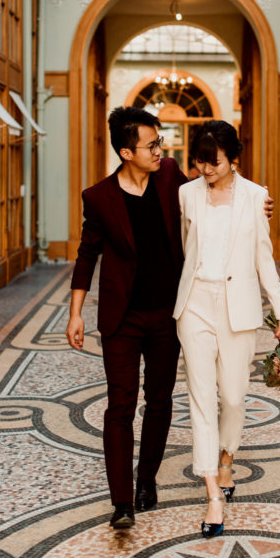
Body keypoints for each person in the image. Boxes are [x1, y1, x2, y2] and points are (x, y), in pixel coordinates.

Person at [66, 107, 186, 530]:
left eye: (160, 142)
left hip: (168, 317)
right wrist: (76, 312)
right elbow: (87, 254)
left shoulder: (171, 175)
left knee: (160, 402)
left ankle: (146, 479)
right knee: (120, 406)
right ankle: (121, 503)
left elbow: (208, 203)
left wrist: (252, 206)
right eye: (151, 145)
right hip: (122, 318)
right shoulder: (99, 197)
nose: (160, 150)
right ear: (125, 151)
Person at [173, 120, 280, 538]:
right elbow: (184, 248)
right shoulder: (186, 194)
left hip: (238, 307)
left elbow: (264, 257)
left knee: (234, 396)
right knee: (202, 397)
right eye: (200, 162)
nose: (206, 169)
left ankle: (227, 458)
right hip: (195, 306)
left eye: (214, 162)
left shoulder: (257, 197)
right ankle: (212, 496)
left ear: (232, 158)